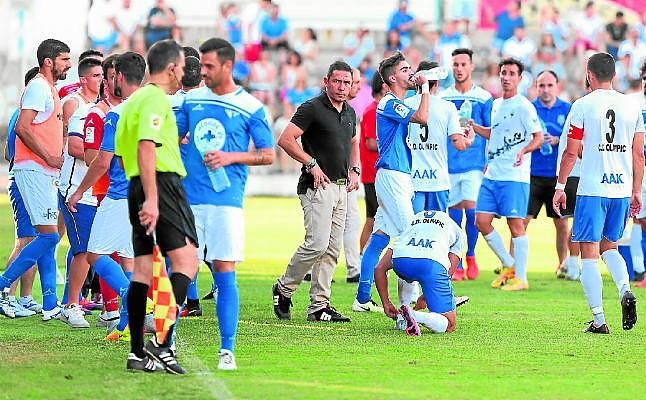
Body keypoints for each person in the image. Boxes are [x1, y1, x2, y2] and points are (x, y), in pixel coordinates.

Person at [175, 37, 275, 369]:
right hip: (188, 199)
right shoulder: (192, 100)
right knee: (179, 271)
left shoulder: (250, 106)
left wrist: (231, 157)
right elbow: (174, 137)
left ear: (227, 66)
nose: (202, 72)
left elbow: (268, 154)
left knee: (223, 270)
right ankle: (165, 342)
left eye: (209, 66)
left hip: (226, 203)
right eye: (201, 65)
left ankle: (227, 349)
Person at [115, 39, 198, 373]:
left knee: (142, 269)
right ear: (172, 68)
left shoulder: (132, 102)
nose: (185, 73)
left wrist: (142, 191)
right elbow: (146, 145)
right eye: (183, 67)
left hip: (139, 183)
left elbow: (124, 155)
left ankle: (137, 352)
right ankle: (161, 343)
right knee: (187, 261)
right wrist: (152, 197)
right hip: (160, 185)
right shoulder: (154, 99)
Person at [553, 52, 644, 333]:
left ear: (589, 75)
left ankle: (599, 320)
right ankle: (625, 288)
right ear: (614, 75)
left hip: (593, 189)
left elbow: (571, 152)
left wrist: (560, 186)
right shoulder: (631, 106)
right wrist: (636, 191)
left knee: (589, 254)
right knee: (610, 247)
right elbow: (638, 154)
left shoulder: (582, 105)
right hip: (621, 189)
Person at [272, 61, 359, 323]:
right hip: (317, 187)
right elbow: (285, 139)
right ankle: (284, 287)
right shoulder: (312, 108)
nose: (342, 87)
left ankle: (319, 306)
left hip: (342, 187)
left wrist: (355, 169)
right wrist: (310, 163)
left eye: (346, 82)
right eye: (337, 81)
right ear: (326, 81)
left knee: (332, 249)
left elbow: (353, 141)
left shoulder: (350, 112)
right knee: (317, 244)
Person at [69, 52, 146, 341]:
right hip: (147, 194)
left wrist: (78, 191)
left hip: (119, 195)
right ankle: (127, 326)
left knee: (95, 254)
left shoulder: (118, 113)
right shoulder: (155, 111)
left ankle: (131, 297)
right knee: (128, 258)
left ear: (120, 78)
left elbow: (102, 161)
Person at [0, 39, 71, 322]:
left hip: (44, 173)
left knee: (48, 238)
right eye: (64, 59)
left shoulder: (49, 89)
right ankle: (4, 285)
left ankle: (49, 303)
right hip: (33, 171)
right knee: (48, 237)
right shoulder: (39, 87)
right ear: (48, 61)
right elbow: (22, 128)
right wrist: (49, 157)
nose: (69, 65)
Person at [353, 51, 429, 312]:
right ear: (393, 78)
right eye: (405, 69)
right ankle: (409, 304)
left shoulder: (397, 103)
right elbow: (422, 118)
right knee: (410, 237)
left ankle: (362, 297)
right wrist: (425, 88)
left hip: (398, 177)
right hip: (392, 177)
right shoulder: (388, 103)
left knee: (379, 239)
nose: (411, 72)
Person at [471, 58, 543, 291]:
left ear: (520, 79)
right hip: (492, 173)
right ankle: (509, 265)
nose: (506, 77)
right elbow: (495, 133)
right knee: (481, 221)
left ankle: (521, 278)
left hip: (514, 176)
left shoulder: (524, 106)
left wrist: (524, 150)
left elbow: (538, 137)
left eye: (512, 73)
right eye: (503, 72)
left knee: (516, 226)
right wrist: (475, 128)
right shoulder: (496, 104)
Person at [58, 57, 104, 328]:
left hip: (97, 190)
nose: (102, 80)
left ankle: (110, 307)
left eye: (104, 75)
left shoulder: (105, 110)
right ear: (84, 79)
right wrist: (105, 158)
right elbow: (74, 147)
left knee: (97, 249)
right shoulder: (78, 108)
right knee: (83, 250)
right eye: (97, 75)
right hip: (76, 188)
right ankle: (70, 305)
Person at [440, 48, 493, 281]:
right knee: (454, 216)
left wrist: (489, 160)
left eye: (463, 64)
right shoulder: (444, 97)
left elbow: (491, 131)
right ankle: (458, 260)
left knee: (472, 211)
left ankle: (471, 254)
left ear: (471, 66)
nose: (459, 68)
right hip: (449, 164)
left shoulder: (483, 97)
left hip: (474, 164)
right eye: (456, 64)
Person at [0, 66, 45, 319]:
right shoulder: (25, 116)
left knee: (36, 240)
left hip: (27, 180)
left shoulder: (20, 113)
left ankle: (25, 297)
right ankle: (6, 294)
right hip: (24, 181)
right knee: (25, 240)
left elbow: (8, 153)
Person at [374, 210, 464, 335]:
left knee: (407, 274)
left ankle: (401, 320)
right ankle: (414, 315)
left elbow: (379, 269)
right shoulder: (458, 232)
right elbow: (447, 273)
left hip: (401, 262)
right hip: (431, 265)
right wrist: (426, 296)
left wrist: (386, 303)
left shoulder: (411, 224)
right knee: (449, 323)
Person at [407, 60, 472, 215]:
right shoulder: (448, 107)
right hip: (438, 181)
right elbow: (459, 144)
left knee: (413, 226)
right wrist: (470, 140)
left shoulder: (405, 104)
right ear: (436, 83)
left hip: (411, 180)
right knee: (437, 226)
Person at [526, 71, 572, 277]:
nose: (545, 90)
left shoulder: (567, 109)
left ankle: (562, 265)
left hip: (557, 177)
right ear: (536, 87)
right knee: (520, 222)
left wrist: (559, 140)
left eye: (549, 85)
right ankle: (512, 267)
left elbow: (577, 138)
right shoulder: (528, 108)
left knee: (561, 223)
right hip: (532, 174)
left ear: (557, 86)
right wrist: (534, 141)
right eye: (541, 86)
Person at [358, 73, 387, 253]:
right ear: (384, 87)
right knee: (373, 218)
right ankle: (362, 256)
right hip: (372, 174)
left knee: (374, 218)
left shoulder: (377, 109)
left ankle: (364, 257)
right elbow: (371, 142)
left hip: (376, 174)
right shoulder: (373, 111)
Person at [633, 62, 646, 288]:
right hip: (640, 169)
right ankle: (642, 272)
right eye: (645, 78)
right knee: (641, 221)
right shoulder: (633, 104)